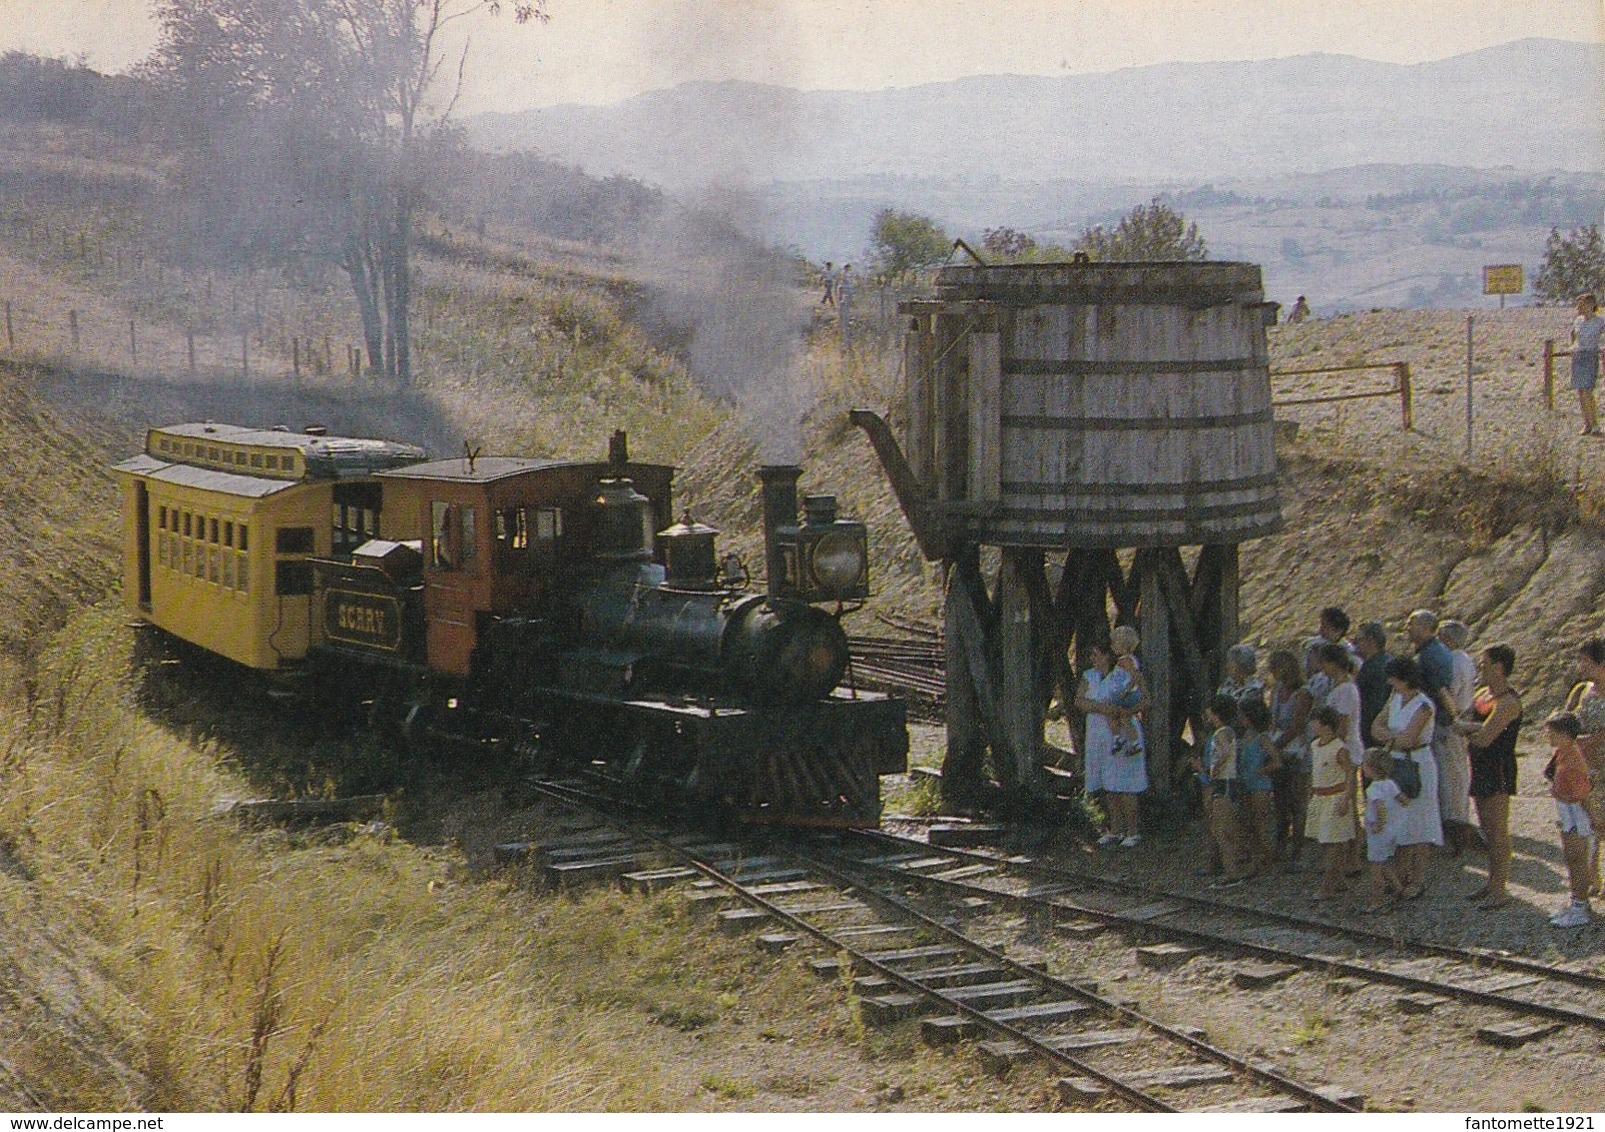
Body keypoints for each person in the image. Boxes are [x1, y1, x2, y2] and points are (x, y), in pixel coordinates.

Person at [1372, 655, 1443, 898]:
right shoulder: (1395, 698)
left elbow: (1409, 738)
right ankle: (1401, 876)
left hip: (1418, 763)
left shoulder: (1423, 705)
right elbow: (1375, 726)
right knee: (1399, 820)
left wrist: (1389, 736)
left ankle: (1418, 879)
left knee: (1420, 823)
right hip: (1397, 762)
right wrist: (1393, 737)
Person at [1457, 644, 1521, 909]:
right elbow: (1474, 723)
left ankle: (1500, 889)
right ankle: (1492, 883)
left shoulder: (1508, 702)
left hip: (1498, 767)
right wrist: (1470, 726)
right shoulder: (1484, 694)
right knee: (1486, 828)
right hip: (1481, 765)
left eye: (1484, 664)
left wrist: (1466, 728)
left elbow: (1485, 737)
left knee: (1497, 831)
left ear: (1498, 667)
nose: (1479, 668)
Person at [1406, 609, 1473, 854]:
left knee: (1448, 780)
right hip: (1446, 722)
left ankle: (1453, 836)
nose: (1407, 629)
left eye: (1411, 624)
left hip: (1443, 724)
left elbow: (1444, 692)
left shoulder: (1437, 656)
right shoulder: (1440, 654)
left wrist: (1453, 719)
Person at [1076, 640, 1148, 847]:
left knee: (1126, 783)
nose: (1093, 659)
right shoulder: (1089, 676)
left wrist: (1123, 710)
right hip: (1099, 733)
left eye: (1097, 655)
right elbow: (1080, 701)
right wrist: (1101, 708)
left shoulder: (1122, 673)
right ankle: (1115, 829)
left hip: (1122, 730)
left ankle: (1132, 831)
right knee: (1109, 783)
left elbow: (1141, 698)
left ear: (1108, 656)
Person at [1542, 712, 1594, 928]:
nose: (1549, 737)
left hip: (1576, 813)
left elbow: (1582, 795)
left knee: (1578, 861)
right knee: (1572, 861)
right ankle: (1576, 902)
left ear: (1565, 734)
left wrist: (1590, 820)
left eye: (1553, 733)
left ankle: (1580, 908)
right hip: (1566, 811)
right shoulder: (1563, 753)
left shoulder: (1572, 759)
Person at [1563, 637, 1605, 895]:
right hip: (1584, 767)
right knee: (1590, 823)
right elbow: (1566, 718)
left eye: (1586, 661)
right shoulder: (1582, 690)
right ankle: (1593, 879)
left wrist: (1591, 741)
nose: (1581, 666)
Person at [1437, 619, 1482, 854]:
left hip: (1453, 719)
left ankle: (1456, 827)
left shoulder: (1454, 661)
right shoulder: (1465, 659)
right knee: (1458, 774)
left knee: (1451, 776)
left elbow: (1450, 693)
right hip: (1462, 715)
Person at [1266, 649, 1313, 866]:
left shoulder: (1302, 693)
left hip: (1296, 751)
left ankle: (1298, 849)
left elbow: (1297, 725)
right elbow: (1273, 719)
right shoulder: (1276, 690)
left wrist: (1276, 744)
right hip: (1279, 748)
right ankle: (1281, 845)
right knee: (1281, 802)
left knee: (1297, 802)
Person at [1306, 704, 1355, 901]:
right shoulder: (1314, 745)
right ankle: (1339, 879)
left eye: (1315, 721)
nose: (1311, 725)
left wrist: (1347, 798)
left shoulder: (1339, 748)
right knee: (1324, 841)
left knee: (1334, 843)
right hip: (1319, 798)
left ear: (1326, 725)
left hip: (1335, 798)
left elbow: (1350, 773)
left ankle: (1328, 885)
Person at [1203, 694, 1251, 887]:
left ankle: (1232, 872)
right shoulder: (1230, 731)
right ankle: (1233, 868)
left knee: (1222, 830)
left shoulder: (1222, 733)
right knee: (1223, 828)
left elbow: (1225, 751)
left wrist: (1215, 767)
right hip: (1228, 782)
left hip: (1224, 782)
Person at [1237, 697, 1282, 875]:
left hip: (1260, 785)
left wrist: (1262, 770)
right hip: (1246, 783)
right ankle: (1256, 860)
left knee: (1261, 824)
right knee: (1251, 823)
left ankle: (1266, 861)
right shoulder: (1246, 736)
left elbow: (1277, 761)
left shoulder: (1262, 738)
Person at [1361, 747, 1407, 914]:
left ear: (1371, 768)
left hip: (1378, 834)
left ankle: (1376, 901)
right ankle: (1398, 888)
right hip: (1392, 831)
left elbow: (1379, 807)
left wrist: (1379, 824)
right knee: (1384, 863)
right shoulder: (1391, 784)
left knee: (1375, 868)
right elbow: (1402, 799)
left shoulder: (1373, 789)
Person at [1106, 625, 1146, 759]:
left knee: (1110, 711)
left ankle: (1118, 738)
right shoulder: (1126, 660)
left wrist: (1126, 689)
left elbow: (1135, 676)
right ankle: (1132, 741)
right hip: (1124, 693)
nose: (1112, 647)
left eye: (1114, 643)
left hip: (1126, 694)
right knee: (1123, 717)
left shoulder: (1126, 660)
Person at [1354, 620, 1394, 744]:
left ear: (1370, 640)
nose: (1356, 644)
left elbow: (1373, 705)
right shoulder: (1388, 661)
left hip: (1374, 732)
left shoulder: (1373, 668)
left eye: (1359, 639)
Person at [1569, 293, 1602, 436]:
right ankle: (1587, 423)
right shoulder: (1578, 321)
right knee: (1581, 392)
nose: (1579, 308)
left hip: (1590, 355)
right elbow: (1573, 335)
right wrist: (1572, 346)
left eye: (1582, 304)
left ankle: (1595, 424)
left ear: (1591, 305)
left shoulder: (1600, 321)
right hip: (1578, 356)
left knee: (1587, 390)